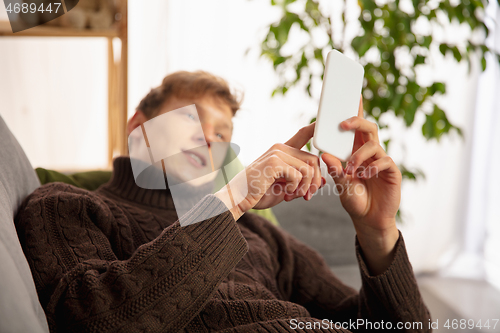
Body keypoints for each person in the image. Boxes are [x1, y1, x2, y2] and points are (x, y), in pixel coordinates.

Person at [15, 71, 431, 332]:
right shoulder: (64, 205)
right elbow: (92, 321)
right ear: (139, 126)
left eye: (224, 133)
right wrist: (230, 199)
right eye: (192, 117)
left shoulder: (259, 230)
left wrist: (378, 232)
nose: (211, 137)